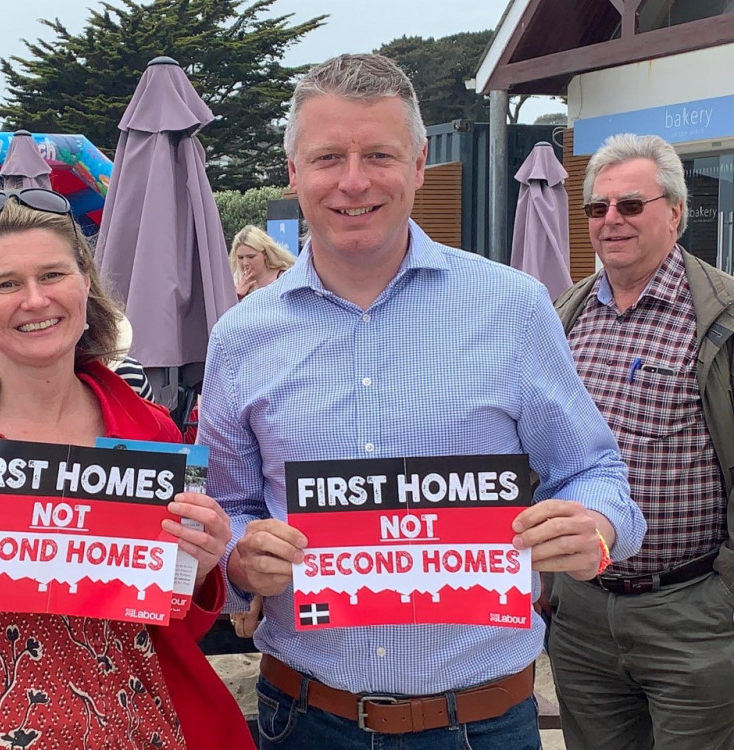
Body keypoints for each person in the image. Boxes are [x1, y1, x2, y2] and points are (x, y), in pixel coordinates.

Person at [198, 53, 646, 749]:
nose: (354, 181)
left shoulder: (513, 308)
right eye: (328, 157)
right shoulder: (239, 338)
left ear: (417, 163)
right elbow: (228, 510)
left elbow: (598, 475)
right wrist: (236, 560)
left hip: (481, 722)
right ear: (293, 172)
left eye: (379, 153)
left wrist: (597, 529)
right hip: (306, 719)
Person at [0, 188, 255, 750]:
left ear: (85, 285)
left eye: (53, 275)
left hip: (144, 729)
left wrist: (200, 572)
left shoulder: (151, 431)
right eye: (7, 283)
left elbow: (177, 628)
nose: (35, 300)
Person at [548, 133, 734, 750]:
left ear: (675, 213)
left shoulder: (723, 318)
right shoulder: (564, 316)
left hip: (692, 609)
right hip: (582, 614)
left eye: (631, 205)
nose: (611, 220)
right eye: (597, 208)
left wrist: (725, 590)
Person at [229, 225, 296, 300]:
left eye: (251, 257)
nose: (245, 263)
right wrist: (238, 296)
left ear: (265, 254)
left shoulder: (285, 278)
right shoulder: (233, 283)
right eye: (240, 257)